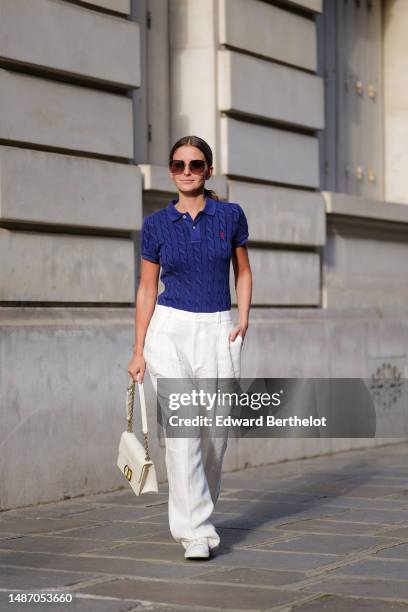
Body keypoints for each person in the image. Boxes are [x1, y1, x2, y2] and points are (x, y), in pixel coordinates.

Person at [127, 135, 252, 560]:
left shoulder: (230, 215)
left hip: (218, 327)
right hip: (169, 329)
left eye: (195, 165)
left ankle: (198, 511)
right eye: (179, 165)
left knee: (214, 435)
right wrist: (138, 349)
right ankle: (194, 530)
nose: (187, 172)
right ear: (170, 171)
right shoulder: (157, 225)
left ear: (208, 170)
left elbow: (244, 272)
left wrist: (244, 318)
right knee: (183, 432)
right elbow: (146, 289)